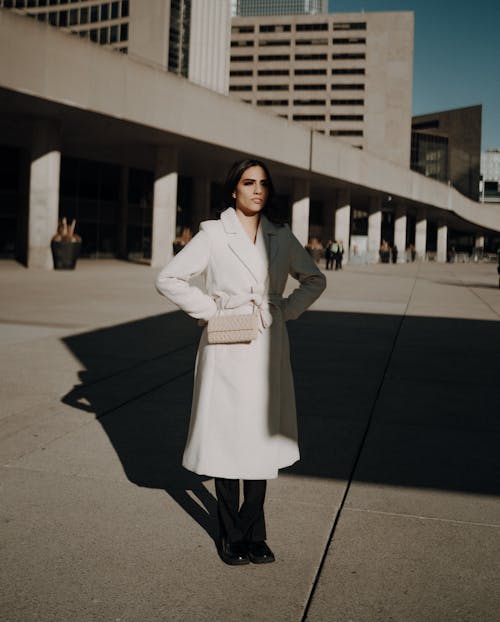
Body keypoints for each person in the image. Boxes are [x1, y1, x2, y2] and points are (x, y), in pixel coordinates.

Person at [156, 159, 326, 566]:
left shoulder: (281, 236)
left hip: (268, 343)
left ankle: (255, 532)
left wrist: (286, 309)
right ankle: (232, 534)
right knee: (227, 439)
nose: (257, 190)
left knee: (260, 438)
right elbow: (169, 278)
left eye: (264, 184)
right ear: (233, 189)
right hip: (226, 345)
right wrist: (210, 311)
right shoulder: (214, 234)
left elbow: (315, 279)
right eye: (248, 183)